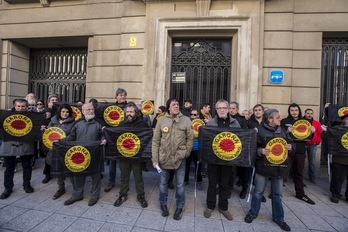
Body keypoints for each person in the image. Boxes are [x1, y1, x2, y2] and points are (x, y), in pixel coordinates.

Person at [244, 109, 293, 232]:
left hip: (279, 168)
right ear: (269, 119)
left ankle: (279, 218)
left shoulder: (282, 130)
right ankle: (253, 213)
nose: (279, 119)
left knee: (277, 194)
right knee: (258, 192)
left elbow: (291, 144)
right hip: (264, 167)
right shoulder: (259, 130)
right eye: (277, 117)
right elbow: (251, 148)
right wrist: (260, 151)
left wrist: (291, 147)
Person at [152, 98, 194, 220]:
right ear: (168, 108)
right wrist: (155, 159)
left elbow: (190, 138)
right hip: (164, 158)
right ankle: (163, 204)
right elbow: (155, 141)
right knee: (163, 182)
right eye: (173, 104)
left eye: (177, 104)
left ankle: (180, 206)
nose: (176, 106)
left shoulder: (186, 120)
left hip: (180, 158)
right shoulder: (161, 120)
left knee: (180, 184)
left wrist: (186, 153)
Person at [62, 103, 106, 206]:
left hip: (95, 153)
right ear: (82, 112)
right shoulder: (78, 123)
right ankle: (77, 194)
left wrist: (104, 140)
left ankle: (95, 195)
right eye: (88, 110)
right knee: (78, 174)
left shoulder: (99, 123)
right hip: (80, 154)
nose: (90, 111)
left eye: (92, 109)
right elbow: (72, 136)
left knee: (95, 175)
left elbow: (104, 135)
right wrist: (60, 141)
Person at [203, 99, 240, 221]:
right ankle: (210, 206)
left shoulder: (235, 123)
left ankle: (223, 207)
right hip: (213, 160)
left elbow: (240, 141)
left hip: (228, 160)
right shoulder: (211, 123)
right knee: (212, 184)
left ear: (229, 109)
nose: (222, 110)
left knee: (225, 184)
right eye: (219, 108)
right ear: (216, 110)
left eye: (224, 108)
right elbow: (207, 141)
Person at [113, 102, 149, 208]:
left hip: (137, 157)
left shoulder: (142, 124)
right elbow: (115, 137)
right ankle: (122, 195)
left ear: (136, 113)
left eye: (131, 112)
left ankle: (141, 196)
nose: (129, 114)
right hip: (124, 156)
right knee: (124, 177)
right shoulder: (122, 124)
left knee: (138, 177)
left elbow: (147, 138)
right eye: (127, 112)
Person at [0, 99, 35, 199]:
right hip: (9, 144)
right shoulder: (5, 116)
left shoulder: (32, 116)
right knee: (9, 168)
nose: (20, 108)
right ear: (14, 106)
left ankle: (26, 185)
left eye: (23, 106)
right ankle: (8, 188)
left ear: (27, 106)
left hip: (25, 145)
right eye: (18, 106)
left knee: (27, 166)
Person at [281, 103, 315, 205]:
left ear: (299, 111)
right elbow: (280, 136)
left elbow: (309, 139)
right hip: (288, 150)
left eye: (296, 110)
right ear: (289, 111)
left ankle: (300, 194)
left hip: (300, 151)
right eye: (292, 110)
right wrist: (287, 131)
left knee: (299, 173)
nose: (294, 112)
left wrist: (312, 132)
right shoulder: (284, 121)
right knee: (283, 172)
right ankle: (276, 192)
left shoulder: (305, 122)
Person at [41, 104, 76, 199]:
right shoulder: (53, 121)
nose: (65, 113)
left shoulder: (73, 123)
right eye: (63, 111)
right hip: (54, 149)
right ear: (59, 112)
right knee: (58, 170)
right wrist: (44, 130)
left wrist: (61, 140)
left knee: (70, 169)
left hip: (66, 149)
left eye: (67, 112)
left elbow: (73, 135)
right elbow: (48, 133)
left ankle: (76, 190)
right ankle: (61, 188)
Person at [238, 104, 265, 200]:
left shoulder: (266, 122)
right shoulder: (248, 122)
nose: (257, 112)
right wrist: (252, 132)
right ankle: (244, 190)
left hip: (263, 150)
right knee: (247, 171)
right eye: (256, 110)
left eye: (259, 110)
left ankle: (259, 192)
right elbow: (244, 134)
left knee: (261, 172)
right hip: (251, 149)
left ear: (263, 111)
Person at [105, 88, 128, 193]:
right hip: (113, 137)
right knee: (113, 160)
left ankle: (124, 182)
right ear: (116, 97)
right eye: (120, 95)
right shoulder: (111, 108)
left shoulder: (130, 107)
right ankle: (111, 181)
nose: (122, 97)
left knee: (124, 162)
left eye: (124, 95)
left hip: (125, 137)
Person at [329, 113, 348, 203]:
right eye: (347, 118)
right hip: (339, 158)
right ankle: (335, 194)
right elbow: (327, 137)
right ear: (343, 120)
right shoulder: (336, 129)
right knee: (337, 178)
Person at [184, 108, 203, 190]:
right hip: (188, 147)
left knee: (198, 166)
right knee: (186, 165)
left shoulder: (202, 124)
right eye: (191, 114)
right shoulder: (187, 122)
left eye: (194, 115)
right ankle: (185, 180)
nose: (192, 116)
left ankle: (199, 181)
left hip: (198, 148)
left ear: (198, 115)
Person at [304, 108, 322, 184]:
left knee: (312, 162)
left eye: (311, 113)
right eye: (308, 113)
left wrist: (317, 141)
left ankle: (312, 176)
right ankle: (296, 176)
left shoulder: (317, 123)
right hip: (303, 144)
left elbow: (320, 133)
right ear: (305, 114)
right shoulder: (301, 122)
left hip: (312, 145)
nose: (309, 115)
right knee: (299, 161)